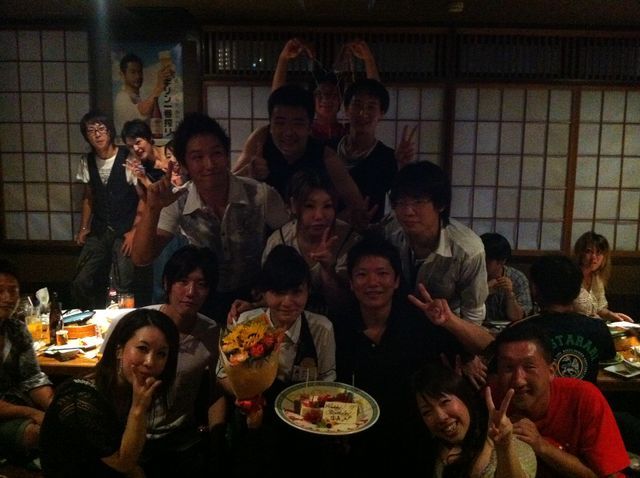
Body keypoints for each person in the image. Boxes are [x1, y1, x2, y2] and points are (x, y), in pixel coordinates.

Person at [334, 234, 494, 472]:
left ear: (397, 280)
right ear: (351, 282)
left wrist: (450, 321)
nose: (372, 282)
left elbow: (489, 347)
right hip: (359, 444)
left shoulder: (420, 322)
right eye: (362, 274)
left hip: (419, 442)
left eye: (382, 273)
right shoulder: (339, 327)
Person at [131, 112, 290, 322]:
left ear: (226, 155)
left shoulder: (260, 195)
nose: (209, 164)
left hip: (254, 298)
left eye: (216, 153)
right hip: (203, 299)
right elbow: (141, 257)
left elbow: (291, 244)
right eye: (197, 157)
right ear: (185, 164)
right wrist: (153, 208)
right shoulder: (178, 200)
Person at [218, 245, 337, 477]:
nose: (287, 301)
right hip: (258, 426)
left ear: (308, 291)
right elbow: (222, 373)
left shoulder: (322, 328)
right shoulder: (246, 323)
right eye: (278, 292)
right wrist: (244, 394)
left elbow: (328, 380)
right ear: (264, 293)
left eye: (296, 292)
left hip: (305, 428)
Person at [40, 309, 180, 477]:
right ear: (119, 350)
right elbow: (124, 463)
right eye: (142, 348)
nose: (150, 362)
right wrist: (139, 408)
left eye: (161, 354)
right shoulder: (81, 399)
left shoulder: (130, 389)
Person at [492, 323, 630, 477]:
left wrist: (541, 445)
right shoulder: (492, 400)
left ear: (551, 371)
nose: (518, 380)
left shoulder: (583, 396)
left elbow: (607, 475)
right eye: (508, 368)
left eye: (529, 366)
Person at [140, 245, 223, 477]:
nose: (191, 292)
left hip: (182, 441)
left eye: (201, 284)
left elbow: (216, 390)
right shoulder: (139, 323)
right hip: (133, 434)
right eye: (182, 281)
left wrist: (216, 442)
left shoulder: (211, 331)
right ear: (167, 283)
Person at [232, 84, 365, 221]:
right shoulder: (261, 139)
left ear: (310, 127)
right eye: (280, 123)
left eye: (298, 123)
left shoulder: (326, 156)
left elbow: (357, 207)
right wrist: (249, 174)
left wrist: (325, 223)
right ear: (270, 125)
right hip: (264, 231)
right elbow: (227, 184)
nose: (288, 132)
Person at [385, 161, 489, 325]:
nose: (408, 211)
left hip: (446, 326)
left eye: (418, 202)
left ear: (440, 205)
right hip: (396, 324)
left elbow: (473, 314)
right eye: (401, 202)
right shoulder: (389, 232)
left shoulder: (468, 249)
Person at [501, 255, 616, 383]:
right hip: (583, 395)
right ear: (578, 291)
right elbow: (608, 360)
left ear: (535, 289)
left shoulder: (519, 331)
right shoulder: (598, 328)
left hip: (538, 397)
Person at [260, 170, 360, 314]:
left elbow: (345, 304)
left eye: (327, 206)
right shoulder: (279, 241)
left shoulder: (350, 241)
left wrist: (328, 269)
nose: (319, 216)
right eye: (309, 206)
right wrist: (252, 306)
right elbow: (271, 293)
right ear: (293, 205)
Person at [414, 363, 536, 477]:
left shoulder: (514, 445)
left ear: (464, 397)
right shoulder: (434, 453)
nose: (440, 417)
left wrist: (504, 446)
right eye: (427, 412)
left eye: (445, 402)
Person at [71, 110, 139, 310]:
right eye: (91, 130)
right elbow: (88, 197)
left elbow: (144, 198)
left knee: (122, 283)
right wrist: (84, 228)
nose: (97, 134)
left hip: (125, 229)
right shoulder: (87, 161)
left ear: (110, 131)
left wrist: (134, 231)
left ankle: (122, 321)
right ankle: (86, 316)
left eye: (101, 129)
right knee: (81, 279)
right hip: (99, 228)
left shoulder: (128, 157)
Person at [331, 78, 416, 222]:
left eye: (371, 107)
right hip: (326, 230)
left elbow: (403, 198)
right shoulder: (329, 150)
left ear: (381, 113)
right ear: (346, 109)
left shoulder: (388, 158)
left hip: (369, 232)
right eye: (357, 105)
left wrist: (403, 165)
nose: (363, 113)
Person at [271, 38, 380, 143]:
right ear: (312, 98)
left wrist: (368, 59)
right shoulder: (304, 130)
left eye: (333, 94)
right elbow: (277, 104)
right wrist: (283, 58)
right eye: (319, 94)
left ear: (341, 99)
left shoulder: (351, 131)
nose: (326, 98)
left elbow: (377, 100)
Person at [0, 259, 53, 467]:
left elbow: (32, 377)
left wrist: (55, 408)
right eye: (0, 291)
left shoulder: (17, 329)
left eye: (13, 291)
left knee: (66, 421)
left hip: (16, 406)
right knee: (40, 434)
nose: (7, 298)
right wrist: (32, 413)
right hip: (13, 412)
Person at [573, 231, 633, 322]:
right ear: (580, 253)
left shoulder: (597, 278)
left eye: (599, 252)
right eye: (589, 251)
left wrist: (613, 315)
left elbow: (600, 309)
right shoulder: (570, 276)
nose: (594, 257)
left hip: (594, 325)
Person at [114, 52, 173, 135]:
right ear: (122, 75)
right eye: (133, 72)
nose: (138, 76)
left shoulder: (140, 96)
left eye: (140, 72)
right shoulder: (121, 97)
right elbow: (142, 112)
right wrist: (158, 88)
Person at [481, 233, 532, 323]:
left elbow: (518, 317)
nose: (481, 264)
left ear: (502, 261)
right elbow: (460, 311)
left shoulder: (517, 277)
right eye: (479, 259)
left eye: (486, 260)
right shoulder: (470, 275)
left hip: (509, 329)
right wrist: (483, 291)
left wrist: (509, 294)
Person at [121, 119, 169, 183]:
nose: (135, 149)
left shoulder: (170, 151)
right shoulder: (140, 168)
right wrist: (140, 177)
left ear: (149, 138)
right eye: (131, 146)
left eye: (138, 142)